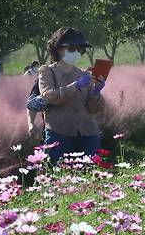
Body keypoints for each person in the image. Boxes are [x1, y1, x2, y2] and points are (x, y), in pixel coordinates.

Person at [37, 27, 106, 165]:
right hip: (59, 133)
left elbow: (94, 109)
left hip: (88, 133)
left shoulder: (85, 74)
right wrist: (75, 86)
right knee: (59, 176)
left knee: (90, 177)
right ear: (58, 49)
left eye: (79, 49)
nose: (76, 53)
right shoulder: (47, 72)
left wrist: (97, 91)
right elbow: (48, 97)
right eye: (71, 49)